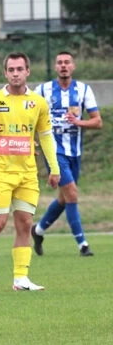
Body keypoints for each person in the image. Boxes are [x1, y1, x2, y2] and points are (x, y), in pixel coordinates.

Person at [0, 52, 60, 292]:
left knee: (25, 223)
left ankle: (21, 278)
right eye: (11, 69)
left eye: (20, 69)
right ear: (5, 73)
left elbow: (45, 136)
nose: (16, 73)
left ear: (28, 71)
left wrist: (54, 168)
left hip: (27, 174)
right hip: (0, 173)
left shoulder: (38, 103)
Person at [31, 51, 103, 257]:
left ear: (73, 66)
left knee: (64, 199)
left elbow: (97, 121)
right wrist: (30, 138)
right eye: (60, 62)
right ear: (55, 67)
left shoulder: (83, 90)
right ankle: (83, 245)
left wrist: (79, 122)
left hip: (75, 152)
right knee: (71, 193)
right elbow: (28, 115)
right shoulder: (42, 90)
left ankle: (38, 231)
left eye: (67, 62)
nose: (63, 65)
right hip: (53, 151)